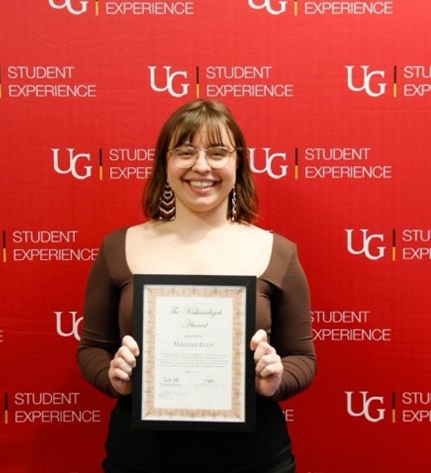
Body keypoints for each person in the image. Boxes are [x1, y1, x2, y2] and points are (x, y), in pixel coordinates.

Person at [77, 99, 316, 473]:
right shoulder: (118, 248)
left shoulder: (278, 252)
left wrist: (276, 379)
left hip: (254, 460)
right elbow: (92, 348)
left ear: (238, 163)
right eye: (185, 152)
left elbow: (303, 358)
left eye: (218, 152)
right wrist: (112, 377)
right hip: (141, 458)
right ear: (165, 165)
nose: (201, 166)